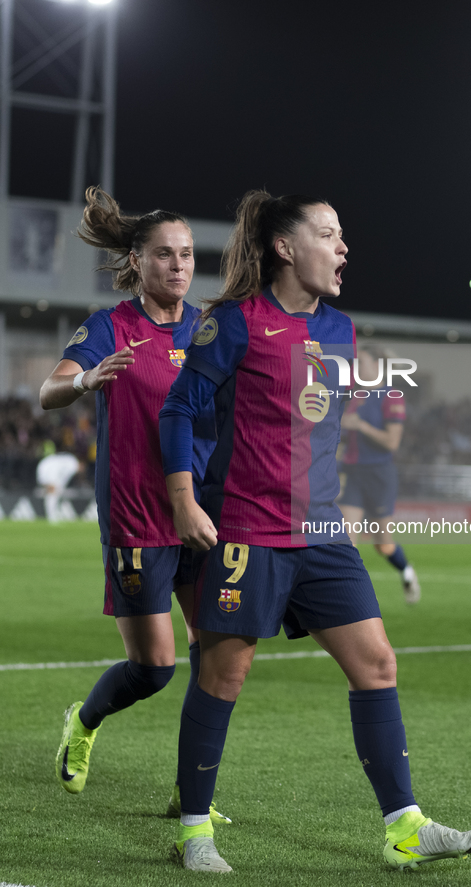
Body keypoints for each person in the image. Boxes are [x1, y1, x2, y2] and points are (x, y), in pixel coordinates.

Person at [159, 189, 471, 873]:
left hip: (321, 531)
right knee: (225, 673)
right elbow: (176, 412)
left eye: (343, 236)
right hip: (249, 531)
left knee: (376, 663)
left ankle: (403, 825)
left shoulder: (340, 331)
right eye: (328, 234)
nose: (343, 247)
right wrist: (184, 501)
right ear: (286, 247)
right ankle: (194, 829)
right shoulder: (231, 323)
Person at [39, 187, 228, 826]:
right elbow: (48, 391)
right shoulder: (110, 327)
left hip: (201, 519)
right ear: (137, 262)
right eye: (164, 255)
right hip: (138, 519)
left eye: (187, 254)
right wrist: (86, 379)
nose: (179, 265)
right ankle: (84, 720)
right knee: (155, 669)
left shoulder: (211, 330)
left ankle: (192, 797)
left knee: (217, 659)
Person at [339, 344, 421, 604]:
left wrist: (361, 426)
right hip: (353, 473)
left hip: (379, 475)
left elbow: (392, 442)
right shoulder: (355, 394)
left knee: (383, 545)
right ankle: (348, 601)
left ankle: (407, 571)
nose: (357, 368)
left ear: (376, 366)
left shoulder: (392, 397)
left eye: (361, 362)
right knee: (345, 542)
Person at [36, 448, 83, 523]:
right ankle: (52, 517)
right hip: (50, 473)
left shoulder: (67, 460)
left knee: (54, 494)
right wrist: (57, 486)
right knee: (53, 495)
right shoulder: (73, 463)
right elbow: (65, 477)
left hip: (49, 473)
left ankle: (55, 515)